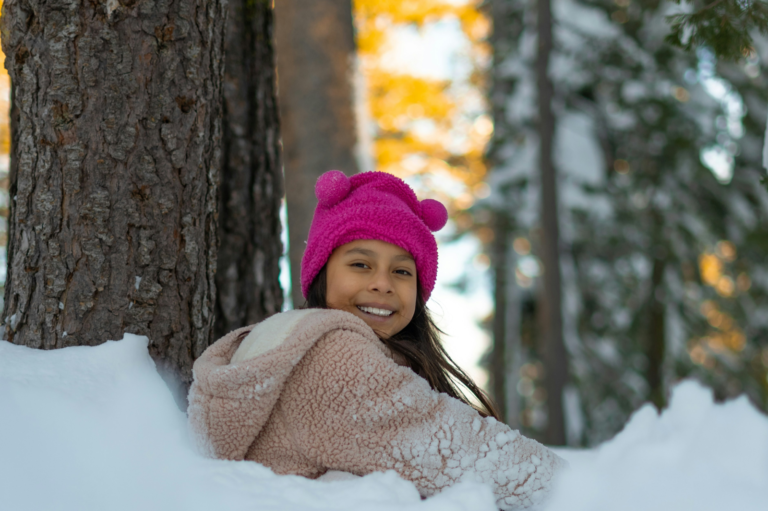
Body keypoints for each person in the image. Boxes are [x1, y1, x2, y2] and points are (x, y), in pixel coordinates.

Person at [187, 170, 567, 510]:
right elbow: (455, 447)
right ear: (321, 272)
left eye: (402, 271)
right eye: (360, 264)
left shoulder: (299, 343)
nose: (383, 283)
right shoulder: (331, 358)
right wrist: (582, 493)